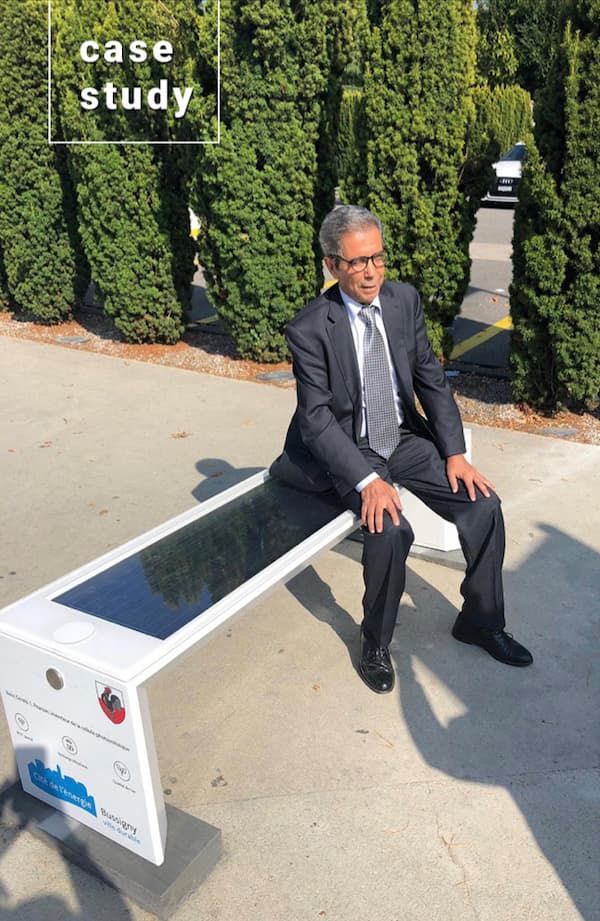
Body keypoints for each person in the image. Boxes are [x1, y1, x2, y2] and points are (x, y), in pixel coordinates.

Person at [270, 205, 532, 694]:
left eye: (378, 258)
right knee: (390, 529)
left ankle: (480, 620)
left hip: (403, 438)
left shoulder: (402, 301)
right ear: (332, 265)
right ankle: (375, 642)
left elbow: (430, 378)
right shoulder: (310, 328)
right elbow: (316, 419)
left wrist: (454, 451)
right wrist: (367, 482)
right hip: (352, 448)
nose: (370, 271)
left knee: (483, 504)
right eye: (357, 262)